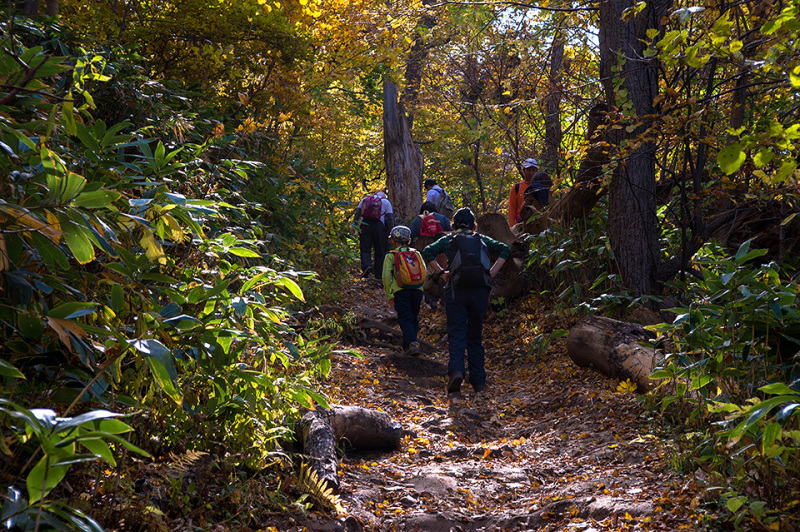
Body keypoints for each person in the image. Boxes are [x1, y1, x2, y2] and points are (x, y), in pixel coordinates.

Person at [422, 208, 510, 394]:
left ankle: (456, 372)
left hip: (455, 292)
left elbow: (428, 251)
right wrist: (491, 274)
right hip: (479, 292)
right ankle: (479, 383)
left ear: (453, 226)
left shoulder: (448, 240)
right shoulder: (482, 239)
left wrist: (440, 273)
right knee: (475, 337)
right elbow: (505, 249)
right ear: (474, 226)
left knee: (456, 333)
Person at [383, 226, 426, 356]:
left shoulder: (391, 256)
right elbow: (424, 270)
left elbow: (386, 276)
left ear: (392, 241)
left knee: (404, 317)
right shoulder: (416, 253)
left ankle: (413, 343)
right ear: (409, 241)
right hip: (417, 290)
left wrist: (390, 294)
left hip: (400, 290)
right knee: (413, 317)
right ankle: (407, 346)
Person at [354, 190, 395, 278]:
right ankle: (379, 273)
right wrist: (391, 232)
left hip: (365, 225)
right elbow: (390, 218)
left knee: (365, 248)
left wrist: (355, 226)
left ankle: (366, 266)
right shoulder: (385, 202)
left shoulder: (365, 199)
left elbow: (357, 213)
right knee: (380, 249)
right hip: (379, 226)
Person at [508, 158, 538, 227]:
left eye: (533, 170)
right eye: (528, 170)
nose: (531, 173)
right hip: (521, 222)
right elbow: (512, 208)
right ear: (524, 171)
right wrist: (512, 226)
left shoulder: (540, 187)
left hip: (537, 222)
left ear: (537, 171)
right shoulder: (516, 187)